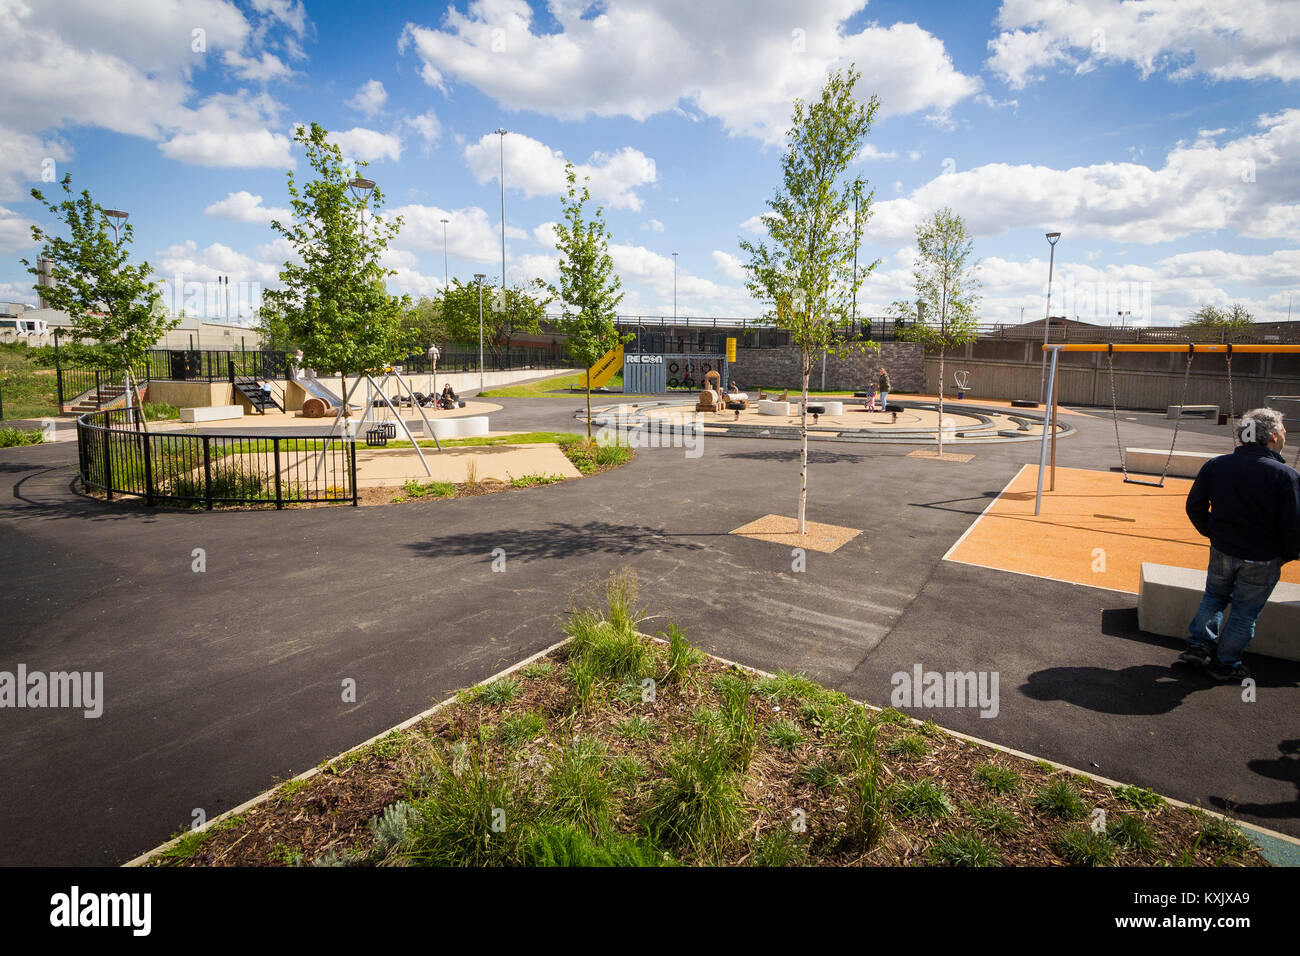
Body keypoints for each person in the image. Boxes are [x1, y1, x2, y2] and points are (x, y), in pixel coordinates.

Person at [1181, 408, 1300, 680]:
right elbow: (1293, 524)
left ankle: (1199, 646)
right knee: (1245, 611)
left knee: (1214, 596)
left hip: (1223, 548)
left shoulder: (1217, 465)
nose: (1285, 436)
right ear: (1272, 436)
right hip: (1262, 556)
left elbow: (1195, 506)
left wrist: (1212, 531)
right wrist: (1288, 554)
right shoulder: (1285, 476)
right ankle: (1226, 662)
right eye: (1283, 431)